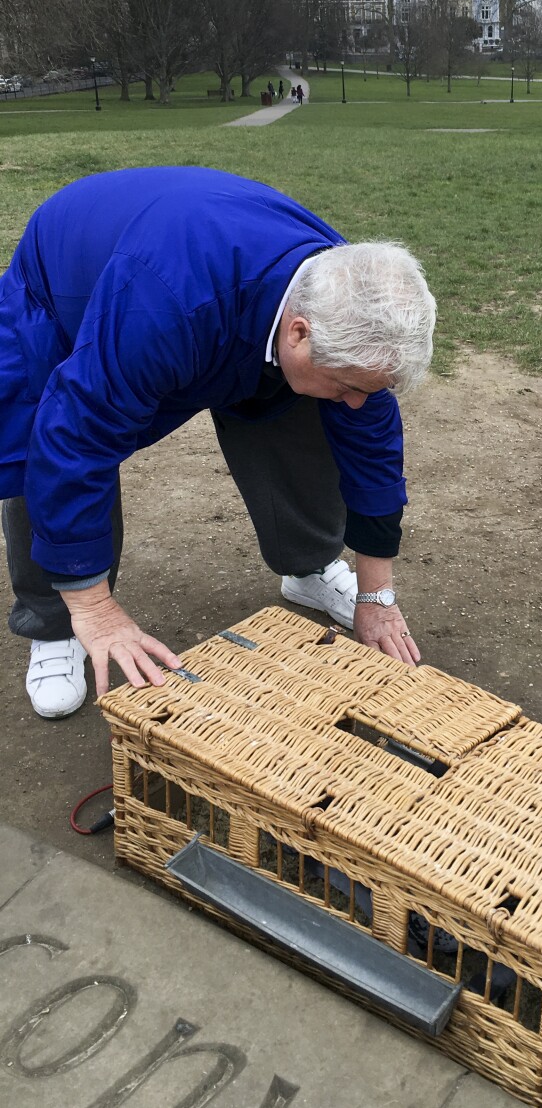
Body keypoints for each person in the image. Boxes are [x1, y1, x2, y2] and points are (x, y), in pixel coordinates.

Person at [0, 166, 436, 719]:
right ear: (298, 333)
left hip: (222, 297)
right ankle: (59, 620)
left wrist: (377, 597)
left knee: (314, 411)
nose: (358, 399)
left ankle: (309, 568)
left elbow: (373, 454)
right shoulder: (159, 307)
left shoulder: (347, 314)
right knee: (40, 431)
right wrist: (95, 607)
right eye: (352, 385)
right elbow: (76, 438)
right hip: (75, 281)